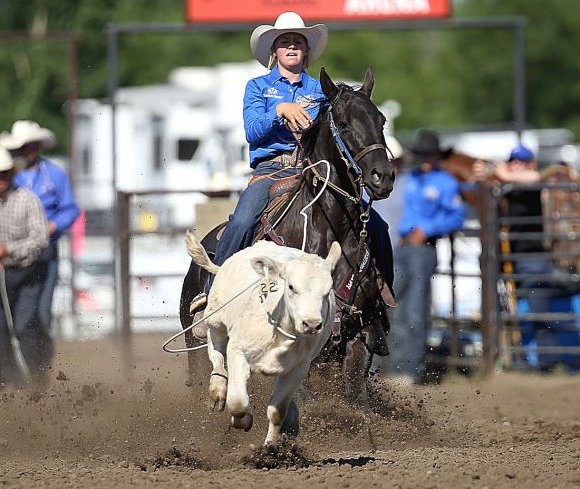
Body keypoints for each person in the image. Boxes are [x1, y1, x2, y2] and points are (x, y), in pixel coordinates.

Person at [190, 11, 393, 314]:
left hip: (312, 168)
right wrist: (280, 110)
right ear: (274, 50)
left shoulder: (320, 91)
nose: (291, 46)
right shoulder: (257, 87)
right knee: (244, 220)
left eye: (298, 41)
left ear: (306, 49)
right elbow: (252, 129)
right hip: (271, 171)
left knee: (376, 225)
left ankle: (379, 298)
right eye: (284, 41)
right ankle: (213, 292)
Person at [0, 120, 81, 363]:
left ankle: (40, 367)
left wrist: (52, 225)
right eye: (24, 146)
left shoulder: (54, 174)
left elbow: (70, 208)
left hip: (46, 252)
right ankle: (19, 368)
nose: (29, 150)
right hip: (14, 254)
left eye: (32, 145)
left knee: (41, 314)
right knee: (13, 315)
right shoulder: (10, 176)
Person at [388, 129, 466, 384]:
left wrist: (428, 229)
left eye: (428, 155)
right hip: (403, 247)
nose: (424, 159)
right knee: (394, 307)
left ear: (436, 156)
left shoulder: (446, 182)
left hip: (424, 249)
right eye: (421, 154)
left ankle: (411, 370)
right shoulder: (409, 179)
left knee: (416, 310)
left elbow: (455, 216)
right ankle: (394, 368)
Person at [0, 147, 49, 391]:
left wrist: (8, 250)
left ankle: (32, 379)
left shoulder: (27, 199)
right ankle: (9, 381)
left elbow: (40, 238)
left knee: (24, 325)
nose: (0, 179)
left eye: (4, 174)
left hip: (25, 273)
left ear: (12, 174)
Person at [474, 145, 552, 367]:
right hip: (508, 260)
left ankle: (546, 361)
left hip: (532, 258)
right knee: (510, 312)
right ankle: (518, 360)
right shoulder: (503, 185)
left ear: (530, 164)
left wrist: (499, 171)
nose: (517, 164)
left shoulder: (533, 181)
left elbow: (534, 177)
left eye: (522, 161)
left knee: (539, 312)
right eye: (513, 161)